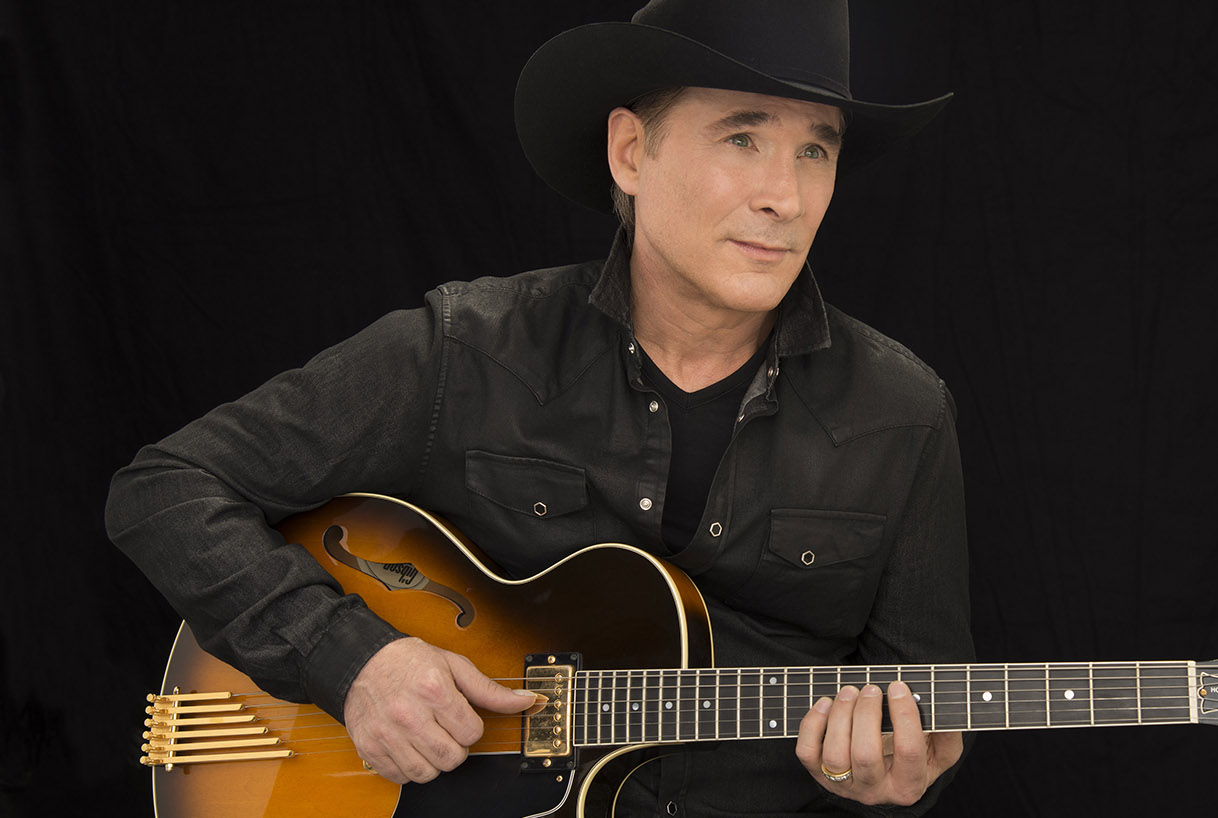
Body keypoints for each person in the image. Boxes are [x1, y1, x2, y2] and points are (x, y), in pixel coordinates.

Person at [105, 1, 973, 814]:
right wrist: (351, 659)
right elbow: (166, 489)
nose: (784, 197)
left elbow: (913, 729)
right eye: (742, 138)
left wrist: (893, 782)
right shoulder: (467, 349)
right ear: (631, 152)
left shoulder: (903, 414)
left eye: (815, 150)